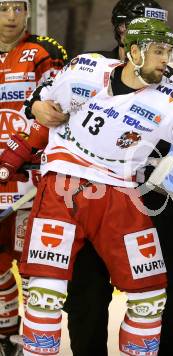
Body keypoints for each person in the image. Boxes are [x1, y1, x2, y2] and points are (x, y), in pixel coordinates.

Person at [12, 18, 173, 356]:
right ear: (134, 52)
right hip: (63, 185)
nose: (165, 60)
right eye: (158, 52)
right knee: (44, 293)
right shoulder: (84, 68)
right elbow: (43, 100)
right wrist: (37, 109)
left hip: (122, 192)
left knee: (151, 299)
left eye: (168, 52)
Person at [0, 0, 67, 354]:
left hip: (31, 180)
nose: (12, 15)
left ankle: (33, 340)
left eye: (18, 7)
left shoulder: (46, 51)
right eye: (3, 7)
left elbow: (56, 111)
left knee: (34, 268)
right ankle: (6, 333)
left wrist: (15, 155)